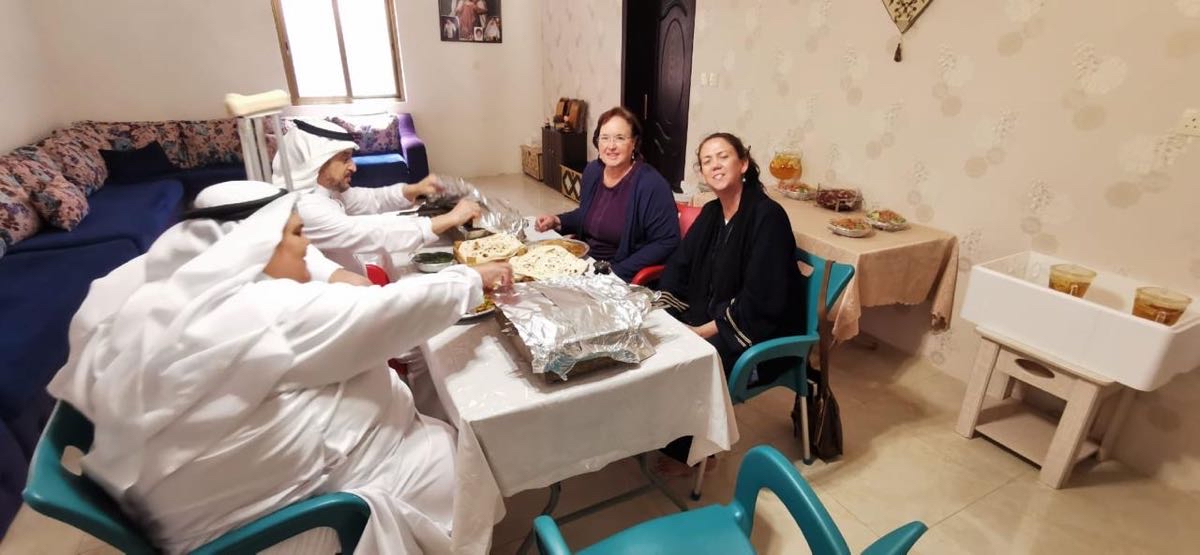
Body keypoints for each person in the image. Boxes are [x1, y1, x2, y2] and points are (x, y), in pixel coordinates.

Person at [47, 188, 513, 554]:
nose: (308, 246)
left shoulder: (171, 297)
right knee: (453, 451)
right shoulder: (263, 315)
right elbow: (393, 312)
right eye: (296, 234)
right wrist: (472, 278)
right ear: (254, 245)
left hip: (193, 510)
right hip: (268, 532)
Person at [656, 132, 806, 472]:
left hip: (758, 332)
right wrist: (665, 311)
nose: (715, 165)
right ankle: (660, 434)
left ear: (744, 164)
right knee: (657, 342)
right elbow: (680, 265)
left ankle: (695, 455)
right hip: (712, 316)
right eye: (706, 161)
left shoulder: (767, 217)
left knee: (689, 359)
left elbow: (761, 298)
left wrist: (702, 332)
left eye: (723, 157)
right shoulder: (712, 212)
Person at [272, 118, 481, 272]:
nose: (353, 167)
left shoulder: (325, 191)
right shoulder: (305, 208)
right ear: (316, 161)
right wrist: (451, 218)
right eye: (344, 159)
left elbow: (367, 199)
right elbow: (373, 234)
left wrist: (415, 189)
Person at [533, 107, 679, 281]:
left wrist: (614, 272)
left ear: (634, 143)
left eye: (620, 138)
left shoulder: (651, 185)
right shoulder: (593, 171)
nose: (611, 146)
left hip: (617, 273)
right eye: (605, 138)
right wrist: (557, 220)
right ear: (597, 142)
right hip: (585, 265)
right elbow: (588, 214)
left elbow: (667, 241)